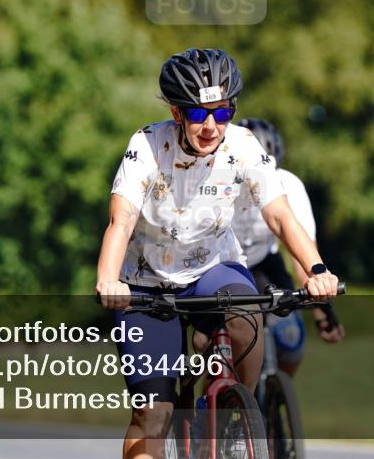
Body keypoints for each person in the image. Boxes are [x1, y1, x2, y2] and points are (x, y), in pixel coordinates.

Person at [97, 48, 340, 459]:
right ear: (176, 113)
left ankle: (237, 412)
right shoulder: (147, 146)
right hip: (146, 283)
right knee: (152, 418)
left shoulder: (242, 145)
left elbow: (280, 216)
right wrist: (108, 279)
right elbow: (121, 220)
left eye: (223, 113)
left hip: (213, 266)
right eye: (197, 115)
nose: (211, 127)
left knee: (247, 317)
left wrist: (317, 269)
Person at [233, 118, 343, 378]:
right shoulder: (221, 183)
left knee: (290, 337)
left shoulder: (289, 185)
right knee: (211, 344)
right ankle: (214, 407)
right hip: (221, 264)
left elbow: (302, 252)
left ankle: (275, 395)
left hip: (263, 263)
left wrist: (322, 310)